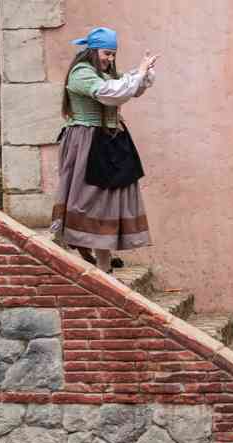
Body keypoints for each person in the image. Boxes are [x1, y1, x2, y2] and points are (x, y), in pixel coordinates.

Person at [50, 26, 159, 273]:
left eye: (113, 54)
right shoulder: (81, 74)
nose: (110, 59)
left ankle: (95, 251)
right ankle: (93, 255)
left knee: (109, 198)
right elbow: (113, 94)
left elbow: (129, 87)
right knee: (92, 198)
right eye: (106, 53)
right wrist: (138, 73)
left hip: (110, 141)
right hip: (87, 143)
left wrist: (144, 74)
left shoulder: (105, 74)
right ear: (92, 50)